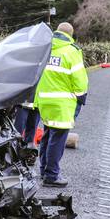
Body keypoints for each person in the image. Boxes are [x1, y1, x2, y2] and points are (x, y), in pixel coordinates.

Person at [34, 22, 88, 187]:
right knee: (57, 139)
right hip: (62, 104)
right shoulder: (72, 51)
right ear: (70, 35)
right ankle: (51, 176)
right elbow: (80, 81)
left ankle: (43, 170)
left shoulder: (45, 48)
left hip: (44, 101)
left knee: (47, 135)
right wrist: (80, 98)